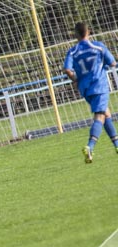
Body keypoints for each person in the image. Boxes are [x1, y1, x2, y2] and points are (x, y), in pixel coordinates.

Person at [64, 22, 118, 163]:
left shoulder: (72, 51)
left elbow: (67, 70)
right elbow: (112, 63)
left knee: (106, 113)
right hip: (99, 86)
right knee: (99, 115)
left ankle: (117, 145)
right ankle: (90, 146)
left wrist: (75, 79)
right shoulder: (98, 46)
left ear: (75, 34)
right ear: (88, 32)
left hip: (85, 89)